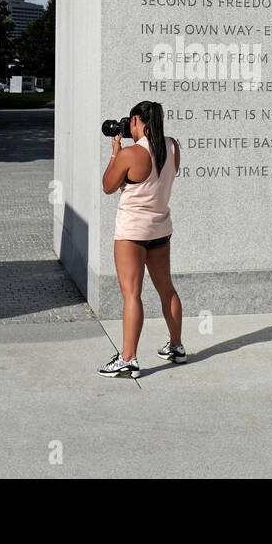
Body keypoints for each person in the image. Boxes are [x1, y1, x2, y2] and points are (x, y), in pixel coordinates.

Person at [97, 100, 183, 378]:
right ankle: (176, 346)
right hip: (160, 229)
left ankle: (128, 358)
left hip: (132, 232)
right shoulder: (172, 147)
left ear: (136, 121)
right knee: (166, 289)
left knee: (132, 294)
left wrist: (115, 154)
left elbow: (108, 186)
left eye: (130, 122)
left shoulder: (131, 154)